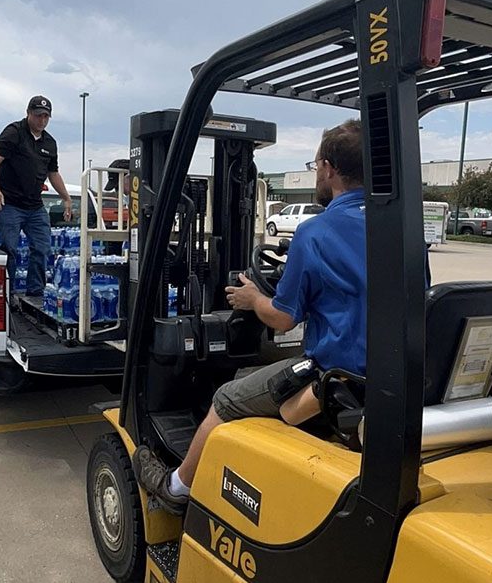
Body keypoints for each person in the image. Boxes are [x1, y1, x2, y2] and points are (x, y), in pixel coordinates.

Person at [133, 119, 369, 516]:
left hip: (334, 372)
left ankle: (177, 487)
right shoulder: (400, 229)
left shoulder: (316, 232)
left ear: (329, 169)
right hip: (383, 372)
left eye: (315, 167)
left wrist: (252, 298)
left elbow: (282, 319)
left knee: (225, 397)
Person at [0, 95, 74, 298]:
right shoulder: (14, 132)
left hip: (35, 206)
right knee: (10, 249)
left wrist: (66, 198)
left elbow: (53, 173)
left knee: (42, 248)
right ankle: (8, 294)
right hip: (10, 204)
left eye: (46, 116)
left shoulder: (50, 142)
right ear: (28, 114)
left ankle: (35, 293)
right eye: (38, 115)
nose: (42, 120)